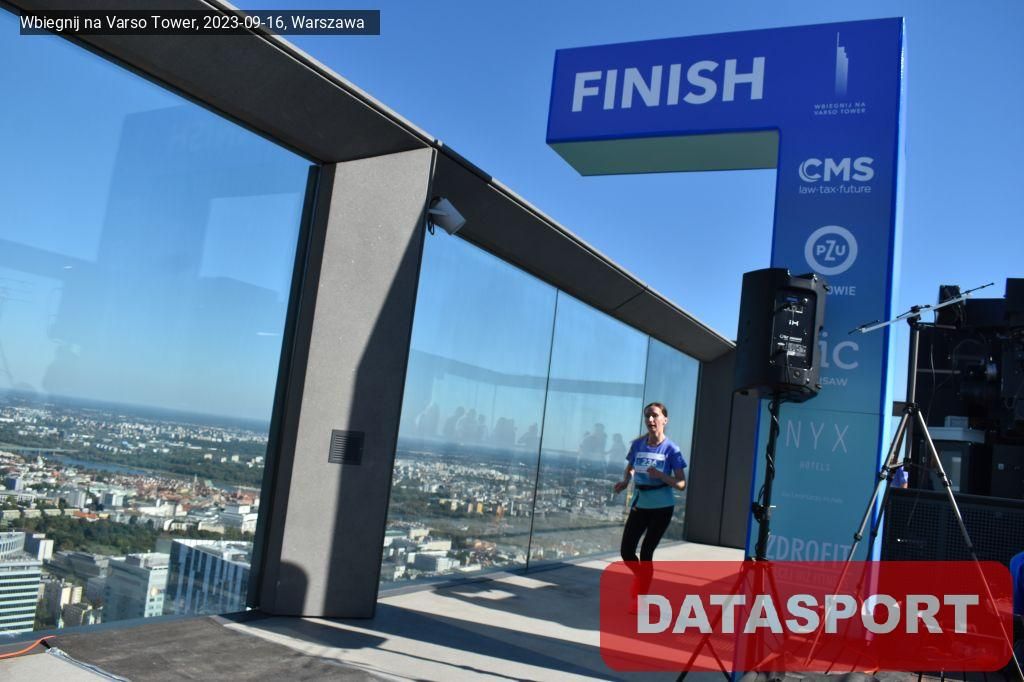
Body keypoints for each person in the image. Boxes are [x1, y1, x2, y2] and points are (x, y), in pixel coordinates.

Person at [613, 402, 687, 605]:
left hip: (662, 507)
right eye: (647, 416)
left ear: (665, 420)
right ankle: (642, 577)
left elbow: (681, 484)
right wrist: (625, 481)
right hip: (641, 503)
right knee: (627, 552)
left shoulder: (671, 449)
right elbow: (630, 468)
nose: (650, 419)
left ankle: (640, 597)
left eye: (654, 415)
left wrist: (661, 475)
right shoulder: (638, 444)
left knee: (646, 553)